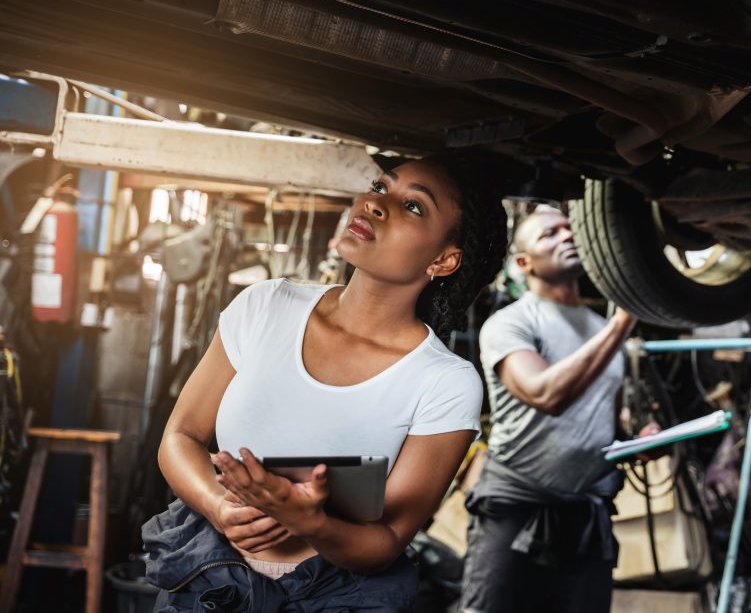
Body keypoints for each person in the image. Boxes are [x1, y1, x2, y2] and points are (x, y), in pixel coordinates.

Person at [142, 153, 508, 611]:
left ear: (445, 259)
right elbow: (180, 436)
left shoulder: (444, 382)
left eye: (414, 206)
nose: (376, 205)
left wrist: (312, 523)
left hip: (331, 597)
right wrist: (217, 507)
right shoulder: (266, 305)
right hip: (208, 581)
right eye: (380, 188)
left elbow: (387, 540)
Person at [461, 207, 656, 613]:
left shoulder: (601, 329)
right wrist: (621, 325)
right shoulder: (509, 323)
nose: (567, 236)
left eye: (570, 230)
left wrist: (637, 442)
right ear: (523, 262)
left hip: (585, 513)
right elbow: (545, 394)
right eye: (550, 234)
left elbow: (604, 424)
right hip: (516, 506)